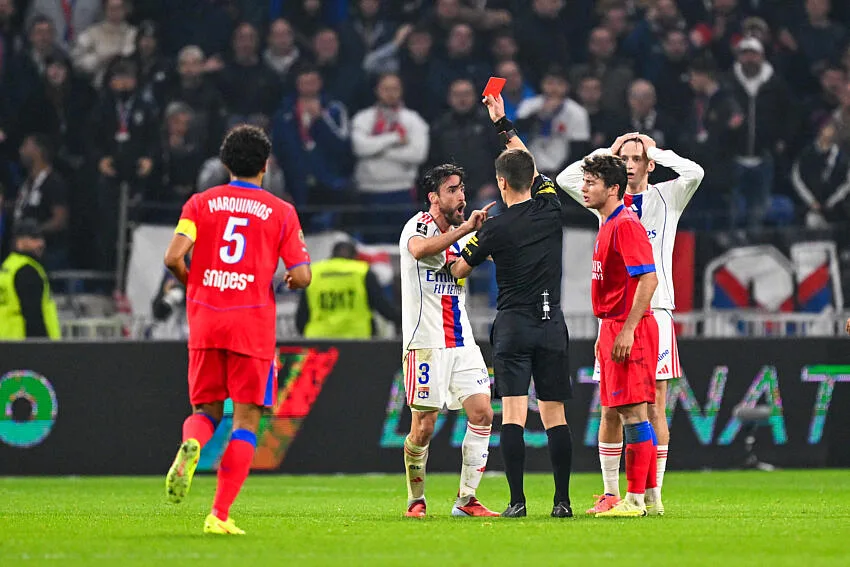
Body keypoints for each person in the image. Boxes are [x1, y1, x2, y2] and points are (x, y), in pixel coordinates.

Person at [162, 125, 312, 535]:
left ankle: (191, 443)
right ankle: (219, 515)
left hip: (206, 320)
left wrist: (195, 284)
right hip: (251, 325)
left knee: (205, 411)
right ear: (265, 165)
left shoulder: (199, 204)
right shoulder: (281, 212)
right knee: (246, 421)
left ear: (225, 164)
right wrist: (293, 280)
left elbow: (173, 257)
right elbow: (301, 273)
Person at [556, 132, 704, 516]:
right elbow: (570, 179)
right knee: (612, 407)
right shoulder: (607, 209)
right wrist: (609, 153)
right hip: (617, 317)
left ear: (650, 164)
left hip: (651, 313)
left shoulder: (663, 199)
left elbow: (695, 171)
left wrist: (655, 149)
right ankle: (614, 492)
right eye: (625, 159)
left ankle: (647, 494)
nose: (632, 162)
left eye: (638, 158)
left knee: (651, 407)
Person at [450, 94, 574, 519]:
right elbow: (528, 163)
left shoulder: (495, 227)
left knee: (515, 414)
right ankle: (562, 502)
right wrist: (502, 122)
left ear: (502, 183)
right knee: (555, 415)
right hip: (551, 322)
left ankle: (517, 502)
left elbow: (459, 270)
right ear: (533, 179)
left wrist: (469, 233)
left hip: (514, 325)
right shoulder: (551, 206)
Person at [397, 163, 499, 519]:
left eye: (462, 190)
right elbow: (419, 250)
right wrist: (468, 230)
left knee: (483, 413)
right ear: (434, 197)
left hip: (461, 340)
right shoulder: (418, 225)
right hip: (425, 344)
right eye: (452, 190)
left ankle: (466, 500)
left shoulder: (461, 234)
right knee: (423, 428)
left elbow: (458, 269)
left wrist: (485, 240)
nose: (461, 197)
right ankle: (415, 498)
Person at [580, 153, 659, 517]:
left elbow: (649, 278)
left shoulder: (625, 224)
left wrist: (626, 329)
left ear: (613, 188)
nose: (584, 188)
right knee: (625, 410)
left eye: (592, 182)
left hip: (631, 328)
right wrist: (605, 330)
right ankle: (650, 497)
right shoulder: (607, 222)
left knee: (632, 414)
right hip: (614, 325)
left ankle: (635, 500)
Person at [296, 240, 401, 338]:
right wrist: (404, 319)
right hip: (357, 340)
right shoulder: (362, 272)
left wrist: (305, 336)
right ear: (355, 256)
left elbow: (302, 312)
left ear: (332, 255)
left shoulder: (313, 272)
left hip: (319, 339)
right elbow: (382, 306)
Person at [0, 220, 61, 340]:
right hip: (24, 344)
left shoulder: (8, 266)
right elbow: (33, 315)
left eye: (41, 238)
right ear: (20, 241)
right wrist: (42, 347)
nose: (41, 243)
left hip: (6, 341)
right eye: (34, 238)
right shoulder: (27, 270)